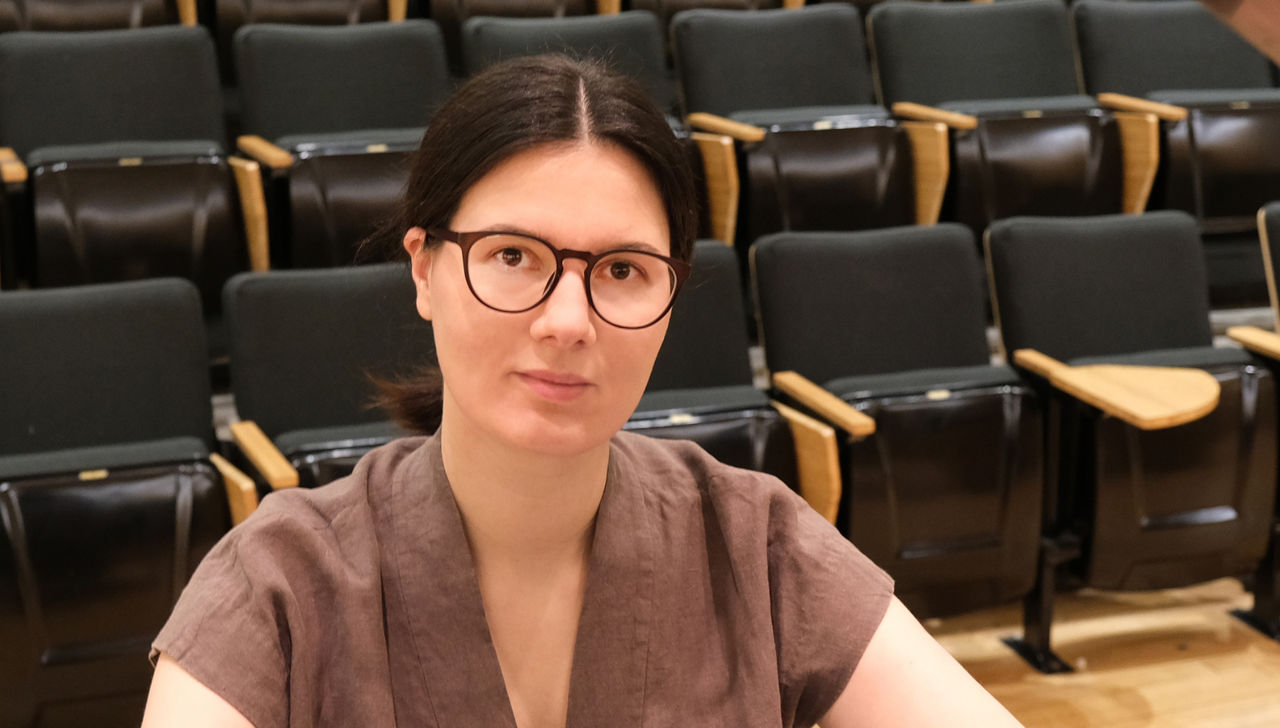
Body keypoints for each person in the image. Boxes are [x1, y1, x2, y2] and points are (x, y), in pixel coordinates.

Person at [141, 54, 1023, 728]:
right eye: (513, 257)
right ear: (425, 269)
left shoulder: (754, 542)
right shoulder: (279, 583)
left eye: (623, 270)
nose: (569, 320)